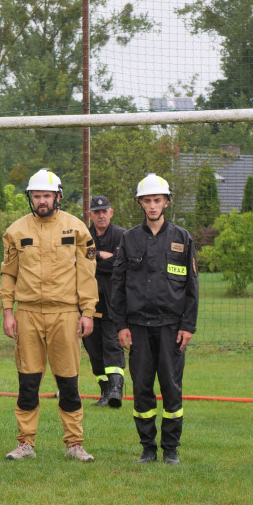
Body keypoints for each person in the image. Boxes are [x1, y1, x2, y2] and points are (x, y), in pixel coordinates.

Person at [0, 168, 98, 462]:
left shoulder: (77, 228)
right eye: (36, 196)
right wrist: (8, 312)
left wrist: (88, 312)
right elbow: (8, 274)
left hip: (66, 314)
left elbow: (87, 274)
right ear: (30, 197)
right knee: (28, 380)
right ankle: (25, 442)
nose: (41, 201)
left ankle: (74, 443)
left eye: (46, 195)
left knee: (68, 380)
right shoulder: (16, 231)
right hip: (28, 313)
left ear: (58, 196)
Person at [110, 173, 199, 465]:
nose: (152, 206)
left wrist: (188, 326)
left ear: (166, 202)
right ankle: (148, 448)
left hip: (172, 329)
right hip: (137, 328)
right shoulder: (129, 238)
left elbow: (192, 288)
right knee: (142, 388)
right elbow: (118, 285)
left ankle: (171, 449)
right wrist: (121, 325)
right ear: (140, 203)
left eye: (157, 200)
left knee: (172, 388)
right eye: (147, 200)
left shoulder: (182, 238)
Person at [83, 195, 127, 408]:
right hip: (89, 304)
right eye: (96, 212)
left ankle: (116, 391)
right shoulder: (85, 235)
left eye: (104, 211)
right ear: (90, 214)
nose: (101, 215)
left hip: (114, 301)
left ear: (111, 212)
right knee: (93, 348)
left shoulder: (122, 236)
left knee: (112, 344)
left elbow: (120, 266)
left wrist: (93, 260)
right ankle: (104, 392)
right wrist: (99, 254)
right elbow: (79, 262)